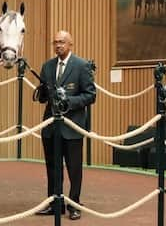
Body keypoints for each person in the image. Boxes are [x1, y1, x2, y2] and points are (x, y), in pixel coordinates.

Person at [35, 30, 96, 220]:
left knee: (74, 168)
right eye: (55, 42)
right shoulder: (47, 67)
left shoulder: (81, 66)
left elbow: (90, 95)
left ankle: (74, 204)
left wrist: (68, 102)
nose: (58, 45)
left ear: (70, 44)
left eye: (62, 42)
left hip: (72, 126)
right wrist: (42, 93)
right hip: (51, 127)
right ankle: (55, 204)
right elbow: (43, 97)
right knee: (53, 168)